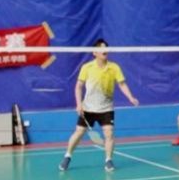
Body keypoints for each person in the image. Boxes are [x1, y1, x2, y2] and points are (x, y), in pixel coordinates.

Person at [59, 39, 139, 172]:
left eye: (106, 48)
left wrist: (131, 97)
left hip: (106, 108)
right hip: (88, 108)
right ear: (94, 52)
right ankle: (67, 156)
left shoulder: (114, 67)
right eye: (101, 48)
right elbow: (78, 87)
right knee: (79, 133)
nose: (105, 50)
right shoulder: (87, 67)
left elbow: (122, 84)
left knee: (109, 134)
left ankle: (108, 160)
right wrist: (78, 104)